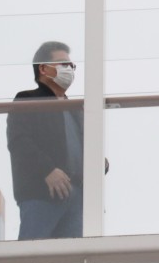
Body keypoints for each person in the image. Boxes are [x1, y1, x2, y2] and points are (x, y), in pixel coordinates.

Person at [7, 41, 95, 240]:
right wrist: (47, 170)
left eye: (71, 65)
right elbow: (18, 141)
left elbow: (82, 147)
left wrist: (98, 162)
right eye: (63, 64)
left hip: (76, 196)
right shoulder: (27, 99)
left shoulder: (76, 109)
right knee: (29, 258)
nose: (70, 70)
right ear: (44, 68)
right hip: (42, 194)